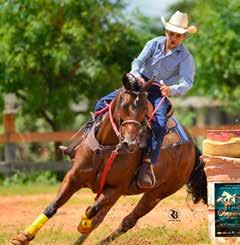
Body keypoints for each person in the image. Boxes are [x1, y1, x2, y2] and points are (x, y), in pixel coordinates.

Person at [64, 11, 197, 189]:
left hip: (159, 90)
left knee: (158, 124)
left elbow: (187, 82)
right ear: (166, 32)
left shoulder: (186, 57)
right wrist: (135, 75)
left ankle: (148, 164)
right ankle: (83, 143)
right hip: (139, 82)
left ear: (183, 37)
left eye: (178, 35)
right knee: (101, 104)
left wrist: (171, 89)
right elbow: (138, 62)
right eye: (171, 34)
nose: (173, 38)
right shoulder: (154, 43)